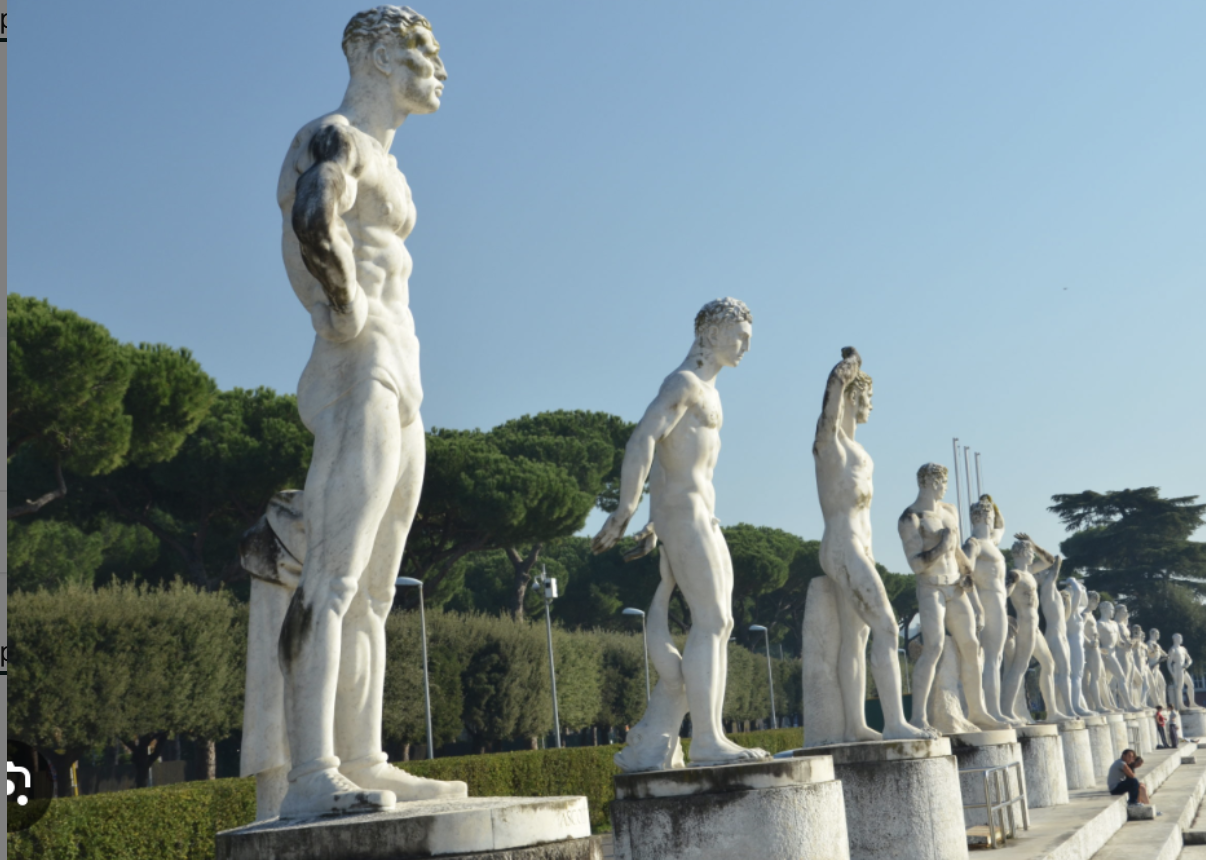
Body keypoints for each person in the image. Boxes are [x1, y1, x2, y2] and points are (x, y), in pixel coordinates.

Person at [275, 5, 466, 817]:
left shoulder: (390, 164)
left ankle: (364, 757)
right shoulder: (336, 136)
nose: (441, 70)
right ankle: (311, 774)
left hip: (403, 375)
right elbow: (312, 216)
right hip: (364, 369)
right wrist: (344, 311)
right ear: (377, 54)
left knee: (378, 593)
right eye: (425, 52)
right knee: (336, 575)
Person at [593, 298, 770, 772]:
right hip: (686, 515)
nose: (747, 346)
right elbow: (644, 438)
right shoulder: (684, 383)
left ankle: (685, 734)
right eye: (740, 335)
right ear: (711, 333)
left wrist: (653, 519)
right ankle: (709, 741)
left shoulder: (709, 392)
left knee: (721, 623)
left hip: (695, 515)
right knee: (711, 621)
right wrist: (626, 506)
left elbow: (673, 457)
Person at [811, 348, 932, 742]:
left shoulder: (863, 454)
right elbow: (825, 421)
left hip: (860, 547)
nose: (871, 407)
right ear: (852, 396)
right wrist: (839, 378)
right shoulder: (832, 448)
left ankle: (855, 725)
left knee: (858, 637)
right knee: (886, 627)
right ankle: (895, 722)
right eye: (868, 398)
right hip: (842, 546)